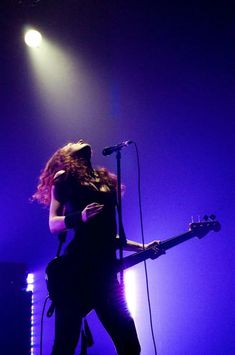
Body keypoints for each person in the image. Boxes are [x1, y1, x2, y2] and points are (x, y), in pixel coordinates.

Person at [33, 139, 158, 355]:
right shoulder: (64, 178)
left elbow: (109, 236)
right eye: (73, 142)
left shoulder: (106, 182)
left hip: (106, 275)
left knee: (130, 345)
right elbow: (53, 224)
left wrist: (143, 247)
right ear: (65, 155)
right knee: (65, 345)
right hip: (75, 274)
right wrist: (79, 217)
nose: (80, 140)